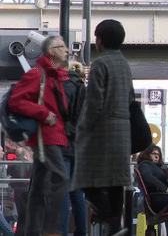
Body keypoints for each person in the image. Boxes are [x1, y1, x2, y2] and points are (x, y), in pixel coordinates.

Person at [72, 19, 132, 236]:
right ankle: (115, 225)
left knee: (86, 181)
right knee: (117, 181)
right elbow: (130, 97)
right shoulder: (124, 63)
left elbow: (94, 101)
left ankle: (108, 218)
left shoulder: (100, 64)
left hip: (103, 132)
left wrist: (82, 128)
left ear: (99, 41)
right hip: (123, 131)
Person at [8, 35, 70, 236]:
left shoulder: (54, 76)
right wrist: (44, 114)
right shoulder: (38, 74)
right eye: (62, 47)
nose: (67, 50)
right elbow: (16, 101)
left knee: (39, 188)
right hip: (46, 137)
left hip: (53, 137)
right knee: (60, 178)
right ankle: (50, 229)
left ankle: (33, 231)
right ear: (52, 51)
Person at [59, 61, 87, 236]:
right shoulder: (84, 91)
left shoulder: (60, 87)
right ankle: (81, 232)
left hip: (62, 144)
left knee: (62, 192)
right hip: (79, 146)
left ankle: (61, 231)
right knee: (77, 193)